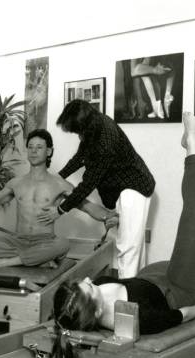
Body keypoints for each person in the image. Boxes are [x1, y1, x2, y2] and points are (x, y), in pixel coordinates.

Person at [47, 112, 195, 358]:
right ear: (96, 310)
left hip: (149, 277)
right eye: (87, 288)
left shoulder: (89, 299)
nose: (88, 281)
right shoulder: (137, 318)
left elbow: (67, 315)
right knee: (193, 213)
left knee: (189, 258)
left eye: (84, 283)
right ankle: (191, 141)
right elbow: (181, 314)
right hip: (176, 291)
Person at [0, 129, 117, 268]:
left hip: (45, 242)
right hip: (18, 241)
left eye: (39, 147)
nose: (33, 151)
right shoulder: (16, 183)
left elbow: (87, 206)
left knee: (63, 244)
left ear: (49, 152)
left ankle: (8, 262)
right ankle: (37, 260)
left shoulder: (60, 184)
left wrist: (109, 216)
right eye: (30, 147)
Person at [40, 99, 155, 278]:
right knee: (133, 245)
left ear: (82, 125)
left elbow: (88, 183)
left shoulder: (105, 139)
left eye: (76, 131)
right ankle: (138, 288)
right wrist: (59, 176)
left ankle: (126, 296)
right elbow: (80, 157)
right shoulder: (95, 124)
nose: (77, 135)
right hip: (125, 189)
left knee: (128, 247)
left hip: (135, 188)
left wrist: (61, 209)